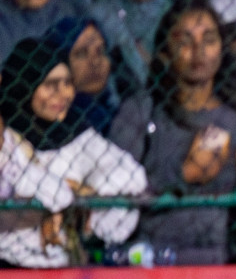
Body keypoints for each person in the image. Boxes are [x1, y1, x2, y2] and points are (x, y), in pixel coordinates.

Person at [109, 0, 236, 265]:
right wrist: (182, 175)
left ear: (221, 49)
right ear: (165, 52)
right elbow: (113, 191)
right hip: (147, 257)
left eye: (209, 40)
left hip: (216, 260)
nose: (199, 51)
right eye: (185, 41)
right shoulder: (141, 111)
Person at [0, 38, 146, 267]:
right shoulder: (5, 138)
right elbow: (18, 181)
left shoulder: (75, 131)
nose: (62, 94)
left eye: (67, 83)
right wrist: (67, 197)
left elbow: (132, 177)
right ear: (25, 86)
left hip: (63, 267)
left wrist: (86, 195)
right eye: (50, 85)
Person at [49, 16, 145, 135]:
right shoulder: (58, 119)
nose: (95, 62)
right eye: (81, 54)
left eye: (100, 51)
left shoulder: (117, 109)